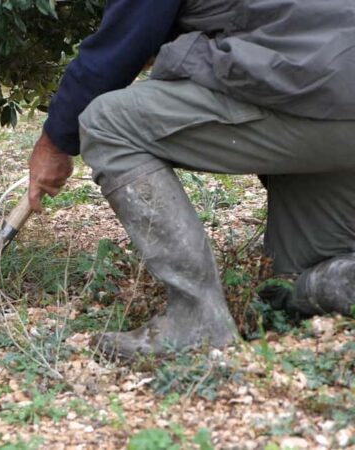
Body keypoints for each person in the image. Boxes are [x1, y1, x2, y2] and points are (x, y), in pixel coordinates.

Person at [28, 0, 355, 359]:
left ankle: (195, 320)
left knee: (108, 123)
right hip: (333, 91)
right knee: (291, 285)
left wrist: (56, 142)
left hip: (308, 90)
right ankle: (336, 279)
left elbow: (119, 48)